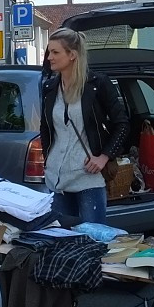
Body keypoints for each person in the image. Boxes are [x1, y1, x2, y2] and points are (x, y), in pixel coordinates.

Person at [40, 27, 129, 224]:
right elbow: (45, 128)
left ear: (72, 55)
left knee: (93, 239)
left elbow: (122, 124)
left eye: (55, 52)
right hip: (57, 179)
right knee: (62, 240)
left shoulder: (97, 84)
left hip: (88, 177)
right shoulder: (49, 87)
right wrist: (47, 161)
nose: (49, 58)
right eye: (49, 52)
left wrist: (105, 156)